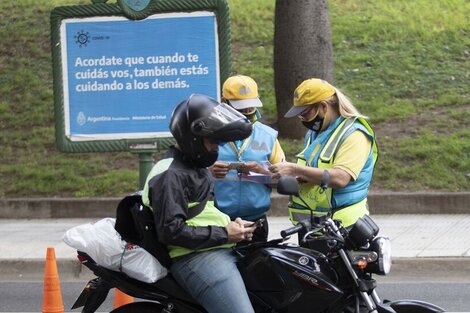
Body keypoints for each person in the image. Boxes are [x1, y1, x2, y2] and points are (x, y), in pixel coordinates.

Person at [142, 94, 256, 313]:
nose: (217, 148)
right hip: (195, 258)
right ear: (190, 137)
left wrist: (234, 226)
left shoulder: (193, 168)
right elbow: (170, 231)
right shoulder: (171, 174)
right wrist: (225, 233)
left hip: (215, 249)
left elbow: (201, 215)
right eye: (213, 141)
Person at [269, 78, 378, 233]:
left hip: (345, 229)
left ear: (323, 107)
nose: (302, 119)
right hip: (318, 228)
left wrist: (294, 169)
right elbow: (317, 172)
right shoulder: (315, 134)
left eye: (305, 113)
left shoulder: (354, 134)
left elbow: (340, 178)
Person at [209, 75, 285, 242]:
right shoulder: (209, 134)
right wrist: (209, 170)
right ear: (223, 102)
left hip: (256, 222)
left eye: (250, 107)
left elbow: (283, 179)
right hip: (218, 222)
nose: (246, 112)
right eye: (240, 108)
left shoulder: (268, 136)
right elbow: (187, 174)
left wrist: (261, 172)